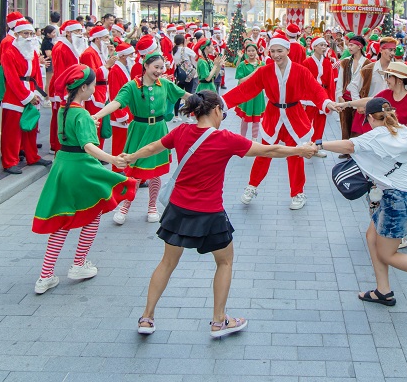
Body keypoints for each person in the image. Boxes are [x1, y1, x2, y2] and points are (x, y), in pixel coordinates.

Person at [121, 91, 316, 337]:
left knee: (167, 262)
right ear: (215, 110)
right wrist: (299, 150)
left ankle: (146, 318)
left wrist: (130, 157)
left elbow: (152, 147)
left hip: (178, 210)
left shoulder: (181, 132)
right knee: (224, 262)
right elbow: (270, 150)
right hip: (210, 212)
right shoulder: (225, 139)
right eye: (222, 112)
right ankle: (219, 321)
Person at [311, 98, 407, 307]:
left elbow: (349, 145)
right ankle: (383, 290)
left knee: (388, 254)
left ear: (369, 117)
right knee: (372, 237)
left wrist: (319, 144)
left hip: (396, 200)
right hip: (403, 197)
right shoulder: (406, 132)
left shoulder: (375, 136)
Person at [32, 65, 134, 295]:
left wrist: (88, 125)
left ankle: (45, 275)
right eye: (94, 85)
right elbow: (88, 146)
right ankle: (78, 264)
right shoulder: (82, 114)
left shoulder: (64, 109)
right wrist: (113, 159)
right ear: (83, 88)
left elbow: (72, 134)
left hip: (62, 166)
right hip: (80, 167)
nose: (95, 89)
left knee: (62, 219)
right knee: (94, 212)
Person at [222, 33, 338, 210]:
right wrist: (223, 103)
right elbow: (245, 89)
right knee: (264, 153)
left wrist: (327, 102)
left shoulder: (301, 71)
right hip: (273, 116)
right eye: (273, 51)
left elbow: (315, 90)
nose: (276, 55)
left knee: (296, 155)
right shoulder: (265, 71)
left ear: (288, 50)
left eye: (280, 51)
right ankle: (252, 186)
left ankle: (298, 193)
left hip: (294, 116)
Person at [93, 52, 185, 224]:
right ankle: (125, 206)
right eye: (156, 67)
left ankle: (152, 206)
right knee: (135, 171)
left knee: (155, 173)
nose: (159, 71)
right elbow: (116, 102)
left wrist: (209, 101)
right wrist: (97, 116)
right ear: (146, 66)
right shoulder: (132, 86)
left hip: (159, 130)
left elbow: (185, 95)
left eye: (161, 67)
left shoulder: (165, 84)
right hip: (139, 132)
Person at [0, 21, 51, 174]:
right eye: (25, 34)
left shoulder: (32, 52)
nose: (29, 37)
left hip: (31, 91)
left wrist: (38, 93)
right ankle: (10, 161)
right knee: (12, 131)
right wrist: (27, 96)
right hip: (14, 96)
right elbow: (12, 79)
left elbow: (36, 75)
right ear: (17, 35)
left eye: (31, 34)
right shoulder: (9, 53)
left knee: (31, 128)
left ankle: (32, 156)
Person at [48, 20, 85, 152]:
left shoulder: (72, 45)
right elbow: (60, 72)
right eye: (77, 31)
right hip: (63, 89)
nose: (80, 34)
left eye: (80, 31)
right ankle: (58, 147)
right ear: (68, 33)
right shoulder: (60, 48)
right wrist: (65, 92)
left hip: (72, 87)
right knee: (60, 120)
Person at [335, 36, 369, 148]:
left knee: (357, 128)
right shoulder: (345, 62)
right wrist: (339, 95)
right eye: (348, 45)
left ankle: (355, 150)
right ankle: (345, 149)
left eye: (351, 45)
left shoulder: (367, 63)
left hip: (359, 100)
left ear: (359, 47)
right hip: (345, 98)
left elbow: (368, 83)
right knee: (345, 125)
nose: (349, 47)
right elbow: (340, 80)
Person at [107, 42, 135, 172]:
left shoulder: (124, 68)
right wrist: (120, 114)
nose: (133, 57)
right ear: (123, 56)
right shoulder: (115, 70)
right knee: (119, 143)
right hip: (121, 113)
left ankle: (124, 168)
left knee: (126, 143)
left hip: (127, 111)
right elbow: (114, 94)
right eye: (131, 54)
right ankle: (117, 170)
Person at [302, 37, 335, 145]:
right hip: (310, 96)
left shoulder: (327, 62)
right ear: (314, 47)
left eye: (325, 45)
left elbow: (330, 81)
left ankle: (317, 146)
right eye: (321, 45)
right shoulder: (307, 62)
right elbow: (303, 82)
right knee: (307, 121)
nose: (324, 47)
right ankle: (305, 144)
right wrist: (302, 99)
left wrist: (331, 98)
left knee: (321, 122)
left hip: (323, 95)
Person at [233, 42, 265, 141]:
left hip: (258, 95)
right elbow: (241, 80)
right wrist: (255, 72)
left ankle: (254, 140)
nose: (251, 53)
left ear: (257, 51)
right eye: (249, 51)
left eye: (253, 50)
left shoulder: (262, 64)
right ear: (246, 52)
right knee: (245, 119)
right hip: (246, 94)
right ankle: (242, 139)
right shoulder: (243, 65)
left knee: (256, 118)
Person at [172, 33, 198, 120]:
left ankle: (176, 115)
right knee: (188, 94)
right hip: (188, 74)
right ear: (183, 41)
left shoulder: (174, 50)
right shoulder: (185, 49)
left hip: (179, 74)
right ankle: (188, 116)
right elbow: (195, 56)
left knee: (178, 95)